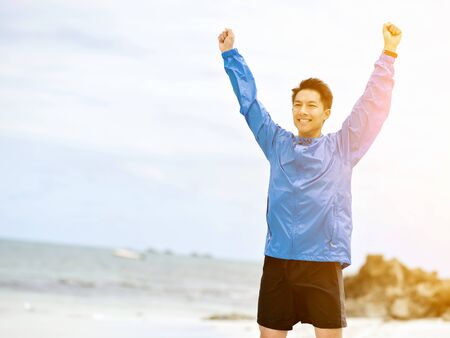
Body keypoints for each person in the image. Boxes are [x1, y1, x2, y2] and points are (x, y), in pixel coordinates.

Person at [217, 22, 402, 338]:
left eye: (311, 105)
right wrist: (230, 55)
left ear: (326, 112)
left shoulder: (342, 148)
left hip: (322, 263)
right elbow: (250, 106)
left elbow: (372, 108)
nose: (302, 111)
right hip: (278, 262)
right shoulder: (276, 144)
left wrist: (389, 54)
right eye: (297, 105)